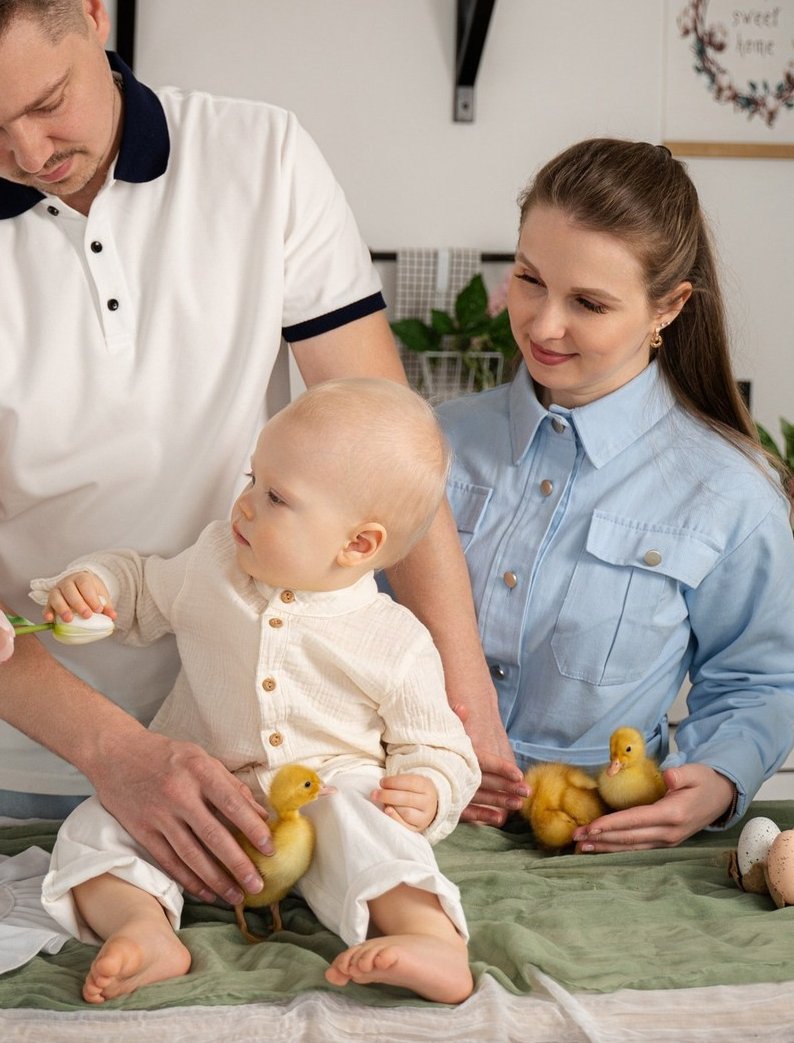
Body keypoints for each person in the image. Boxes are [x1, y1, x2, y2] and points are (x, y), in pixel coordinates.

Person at [0, 0, 517, 910]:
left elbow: (389, 448)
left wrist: (464, 704)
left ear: (89, 8)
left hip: (271, 748)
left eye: (46, 99)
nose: (26, 152)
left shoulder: (264, 159)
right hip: (5, 767)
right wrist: (119, 753)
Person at [32, 378, 479, 1004]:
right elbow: (139, 588)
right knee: (97, 825)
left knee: (368, 822)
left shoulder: (393, 640)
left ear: (358, 544)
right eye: (252, 478)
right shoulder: (211, 565)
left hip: (323, 798)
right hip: (199, 799)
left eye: (275, 497)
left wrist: (430, 790)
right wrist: (93, 584)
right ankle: (142, 927)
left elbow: (442, 745)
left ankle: (430, 937)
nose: (244, 505)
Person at [437, 138, 794, 849]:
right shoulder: (430, 444)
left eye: (589, 302)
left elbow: (754, 683)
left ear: (667, 308)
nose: (544, 325)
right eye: (528, 279)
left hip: (600, 859)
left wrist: (720, 781)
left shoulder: (731, 490)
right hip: (413, 835)